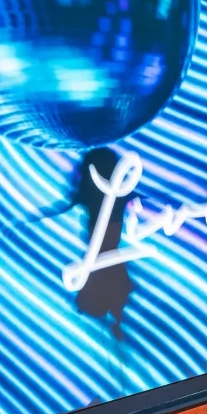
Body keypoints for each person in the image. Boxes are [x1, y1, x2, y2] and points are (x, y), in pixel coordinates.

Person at [29, 147, 135, 345]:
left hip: (101, 255)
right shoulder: (117, 195)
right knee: (113, 288)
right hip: (107, 254)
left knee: (110, 287)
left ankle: (116, 325)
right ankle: (117, 324)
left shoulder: (91, 194)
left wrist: (28, 219)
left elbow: (59, 208)